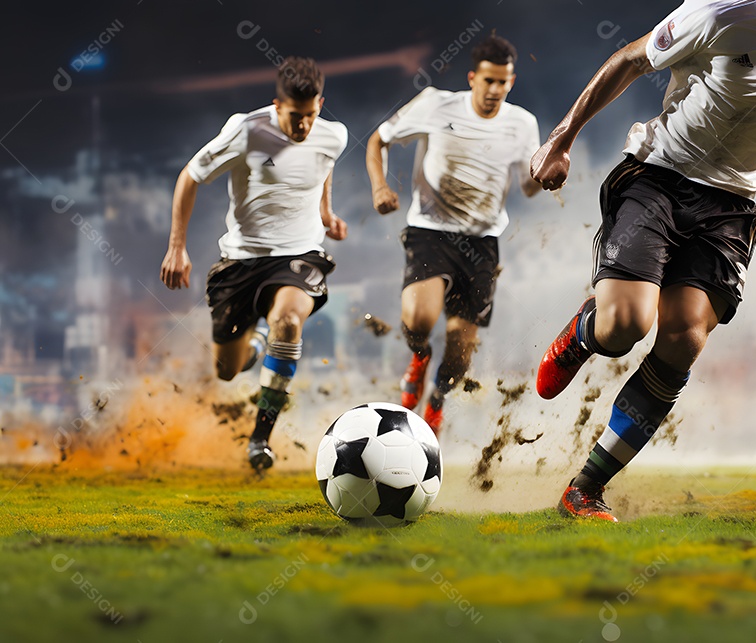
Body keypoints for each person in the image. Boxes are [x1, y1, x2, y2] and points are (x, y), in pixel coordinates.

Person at [531, 0, 756, 521]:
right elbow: (631, 60)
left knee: (684, 339)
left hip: (730, 205)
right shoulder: (721, 12)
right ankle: (589, 330)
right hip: (658, 175)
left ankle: (584, 490)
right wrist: (562, 138)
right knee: (625, 327)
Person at [159, 56, 349, 472]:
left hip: (300, 254)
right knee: (229, 370)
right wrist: (177, 247)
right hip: (242, 262)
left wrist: (326, 213)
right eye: (295, 117)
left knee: (290, 320)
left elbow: (323, 168)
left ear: (321, 104)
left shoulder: (333, 135)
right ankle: (258, 341)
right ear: (277, 106)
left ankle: (260, 438)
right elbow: (190, 176)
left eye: (311, 116)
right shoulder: (246, 131)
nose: (303, 127)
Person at [366, 34, 541, 436]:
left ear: (511, 81)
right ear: (472, 78)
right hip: (432, 230)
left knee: (461, 356)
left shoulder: (522, 124)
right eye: (489, 81)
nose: (496, 90)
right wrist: (379, 186)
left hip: (482, 243)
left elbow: (528, 186)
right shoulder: (434, 103)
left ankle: (437, 401)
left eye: (504, 82)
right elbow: (378, 139)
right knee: (420, 318)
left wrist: (546, 177)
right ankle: (418, 357)